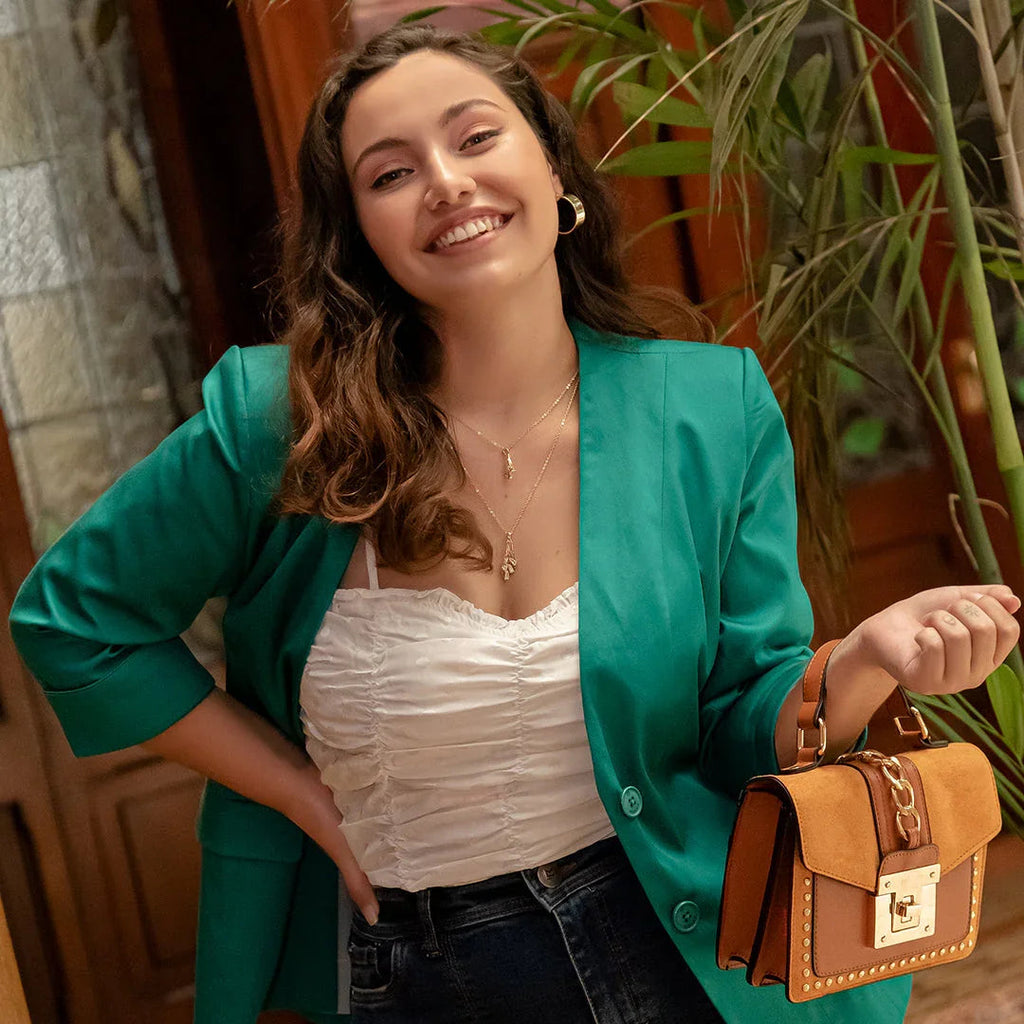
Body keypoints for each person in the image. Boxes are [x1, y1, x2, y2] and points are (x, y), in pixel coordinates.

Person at [8, 22, 1020, 1024]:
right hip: (400, 971)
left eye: (476, 137)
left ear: (554, 167)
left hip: (674, 947)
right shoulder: (283, 424)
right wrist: (296, 791)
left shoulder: (709, 409)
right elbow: (73, 622)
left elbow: (738, 711)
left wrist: (863, 661)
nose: (446, 181)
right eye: (390, 172)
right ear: (358, 231)